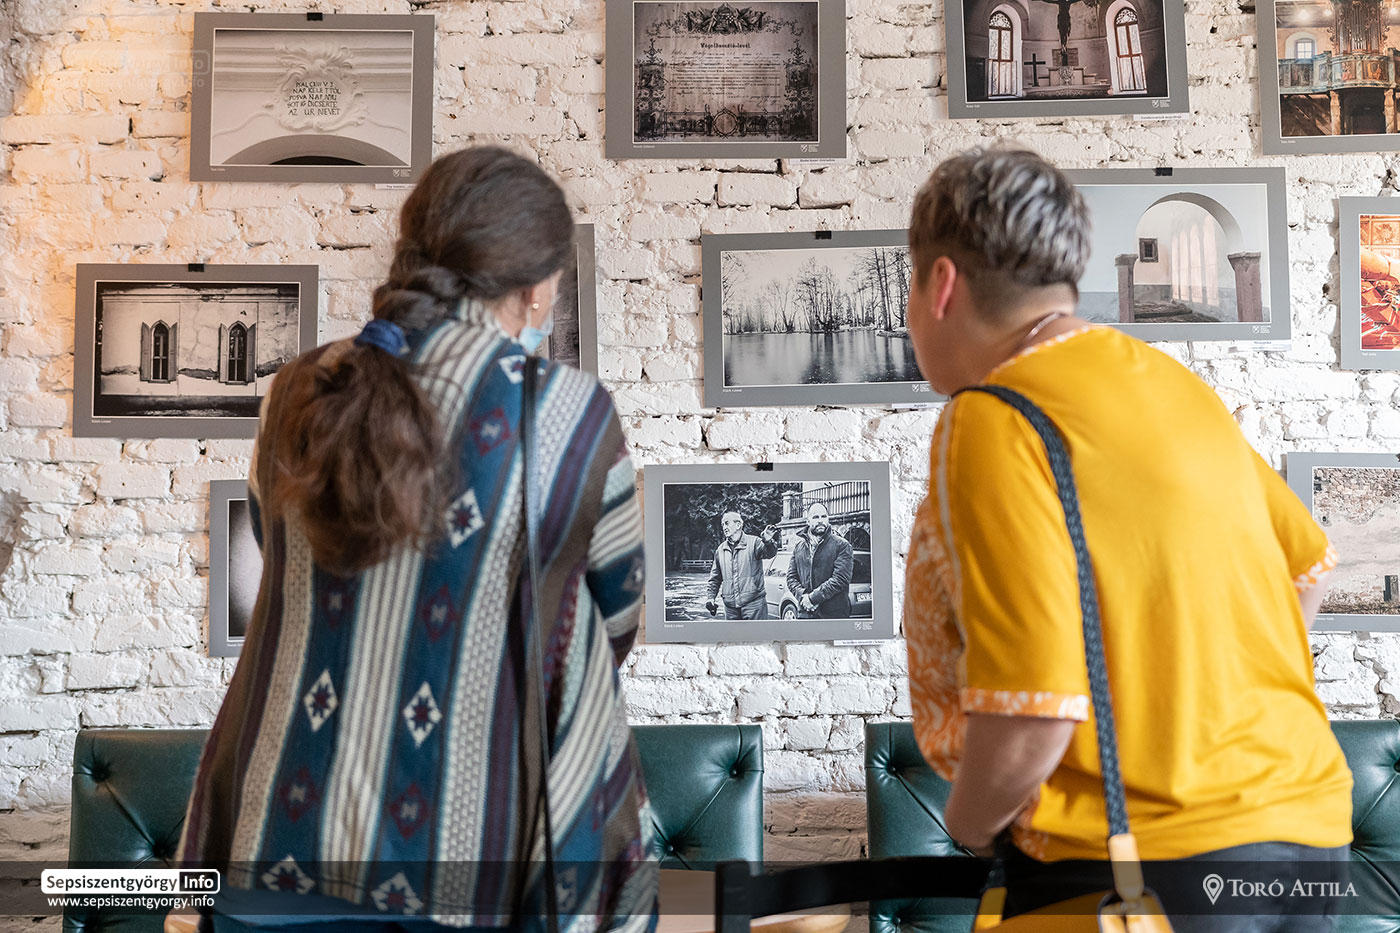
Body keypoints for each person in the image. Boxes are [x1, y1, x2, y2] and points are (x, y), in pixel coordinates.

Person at [175, 146, 658, 932]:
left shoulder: (297, 389)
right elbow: (615, 618)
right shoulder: (568, 412)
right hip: (468, 863)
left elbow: (278, 551)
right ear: (535, 288)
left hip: (269, 844)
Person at [901, 147, 1352, 928]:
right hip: (1305, 832)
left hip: (1138, 868)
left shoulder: (993, 417)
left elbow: (1034, 711)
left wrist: (968, 826)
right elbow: (1307, 569)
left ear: (941, 285)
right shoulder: (1171, 383)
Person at [704, 510, 779, 619]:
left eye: (727, 523)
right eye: (723, 524)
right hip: (730, 608)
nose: (724, 527)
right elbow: (715, 578)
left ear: (738, 525)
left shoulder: (754, 542)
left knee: (757, 631)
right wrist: (711, 598)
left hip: (754, 605)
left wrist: (768, 541)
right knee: (733, 631)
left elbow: (770, 553)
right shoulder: (720, 550)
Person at [785, 503, 853, 618]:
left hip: (833, 616)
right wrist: (803, 597)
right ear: (808, 521)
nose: (820, 520)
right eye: (816, 517)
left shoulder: (842, 545)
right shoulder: (799, 548)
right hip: (806, 614)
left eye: (824, 516)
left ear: (828, 519)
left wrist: (813, 598)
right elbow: (791, 578)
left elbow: (840, 579)